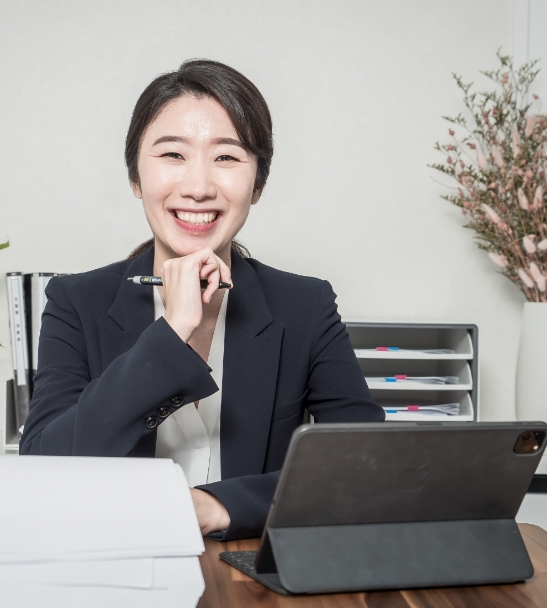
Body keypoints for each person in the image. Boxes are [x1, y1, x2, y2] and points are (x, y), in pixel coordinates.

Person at [20, 59, 384, 540]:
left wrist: (217, 506)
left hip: (253, 576)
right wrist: (170, 334)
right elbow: (44, 467)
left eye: (227, 158)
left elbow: (367, 468)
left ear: (257, 185)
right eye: (172, 155)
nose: (197, 187)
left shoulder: (305, 306)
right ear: (135, 177)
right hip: (111, 565)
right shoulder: (75, 301)